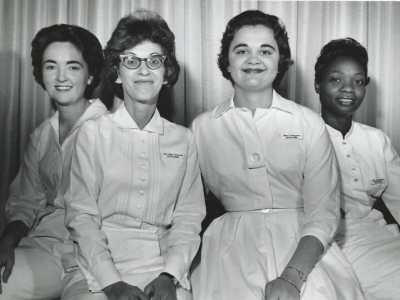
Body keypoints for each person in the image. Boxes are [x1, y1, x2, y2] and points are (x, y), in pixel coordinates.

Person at [190, 10, 366, 300]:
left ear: (279, 61)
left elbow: (324, 211)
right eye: (242, 50)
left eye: (266, 50)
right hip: (228, 249)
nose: (253, 59)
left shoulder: (307, 122)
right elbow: (186, 210)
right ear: (227, 61)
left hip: (304, 245)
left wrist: (292, 277)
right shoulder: (201, 128)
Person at [64, 9, 205, 300]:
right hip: (98, 265)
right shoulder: (92, 134)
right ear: (117, 71)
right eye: (131, 61)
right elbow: (82, 217)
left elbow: (189, 219)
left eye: (154, 61)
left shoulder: (184, 139)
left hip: (163, 263)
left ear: (167, 74)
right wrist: (112, 283)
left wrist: (170, 275)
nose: (144, 71)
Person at [0, 24, 107, 299]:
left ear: (91, 74)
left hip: (98, 256)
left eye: (73, 66)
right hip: (44, 248)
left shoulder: (112, 130)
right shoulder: (40, 135)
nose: (61, 77)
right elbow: (26, 200)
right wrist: (8, 241)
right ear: (41, 75)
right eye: (51, 66)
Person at [315, 37, 400, 300]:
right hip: (327, 242)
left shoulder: (377, 140)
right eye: (337, 79)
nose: (349, 89)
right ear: (318, 84)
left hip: (378, 235)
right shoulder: (301, 137)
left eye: (358, 81)